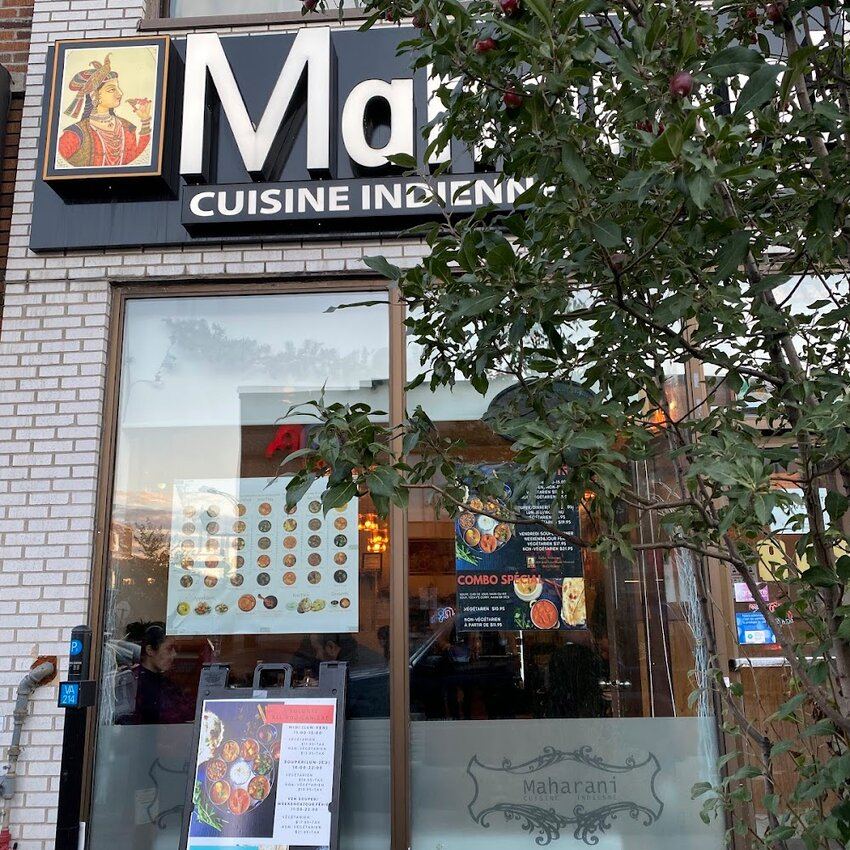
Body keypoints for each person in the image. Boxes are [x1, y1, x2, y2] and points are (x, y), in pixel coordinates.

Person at [57, 54, 152, 169]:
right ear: (94, 95)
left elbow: (137, 162)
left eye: (118, 88)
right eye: (111, 89)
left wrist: (145, 120)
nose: (120, 93)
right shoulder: (75, 134)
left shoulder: (126, 127)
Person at [119, 622, 194, 725]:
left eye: (175, 649)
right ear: (150, 650)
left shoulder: (165, 681)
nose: (174, 654)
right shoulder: (134, 682)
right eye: (169, 649)